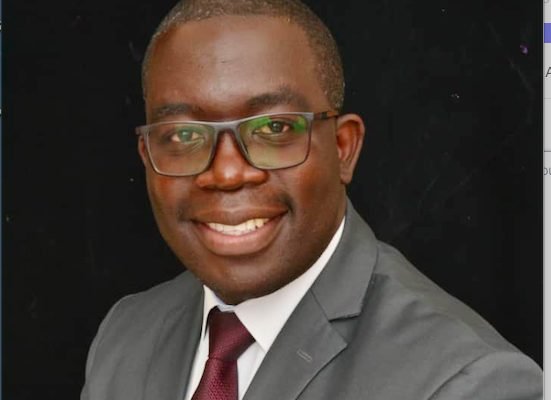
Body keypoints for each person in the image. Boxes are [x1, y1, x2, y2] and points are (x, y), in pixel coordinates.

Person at [81, 0, 543, 399]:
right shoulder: (126, 334)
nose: (226, 173)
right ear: (146, 157)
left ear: (343, 149)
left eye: (273, 128)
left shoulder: (468, 382)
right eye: (183, 135)